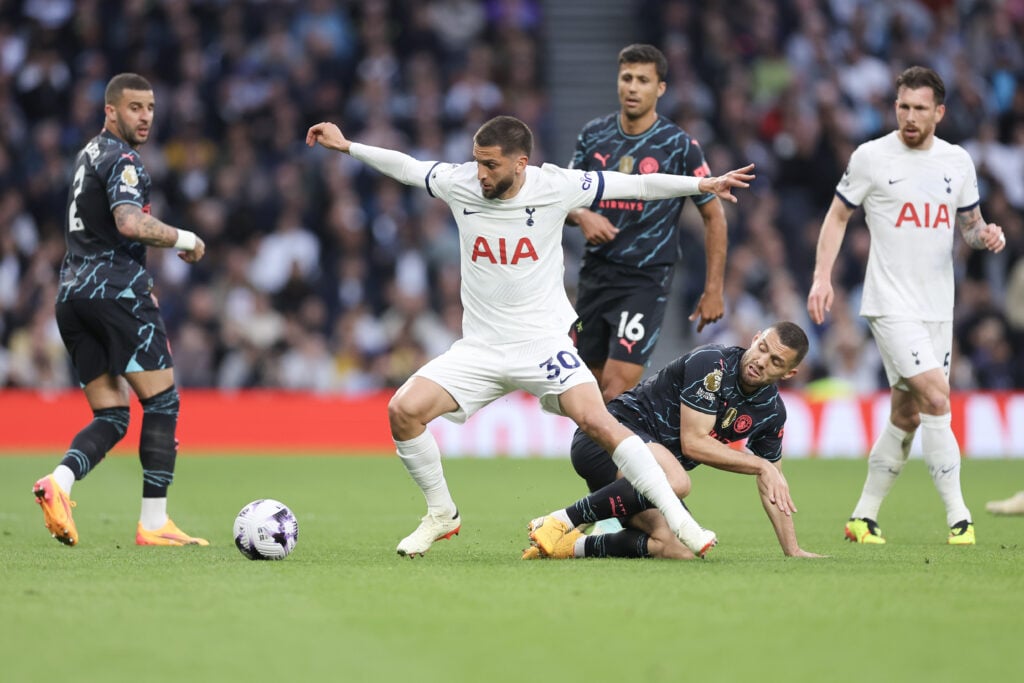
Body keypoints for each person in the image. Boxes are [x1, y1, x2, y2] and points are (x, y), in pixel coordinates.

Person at [306, 115, 756, 558]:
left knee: (600, 422)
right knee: (402, 411)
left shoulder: (555, 186)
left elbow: (635, 185)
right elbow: (405, 166)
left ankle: (682, 522)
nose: (481, 174)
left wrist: (700, 186)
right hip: (480, 348)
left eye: (492, 165)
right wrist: (348, 146)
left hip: (543, 343)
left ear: (521, 162)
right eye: (478, 162)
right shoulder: (458, 182)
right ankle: (441, 513)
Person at [806, 66, 1006, 546]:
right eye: (902, 106)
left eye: (919, 108)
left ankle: (863, 517)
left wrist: (987, 236)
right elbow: (837, 217)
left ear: (939, 112)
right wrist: (821, 276)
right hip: (889, 302)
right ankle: (960, 517)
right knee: (937, 397)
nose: (909, 116)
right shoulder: (871, 157)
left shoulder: (957, 162)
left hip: (938, 306)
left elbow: (970, 227)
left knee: (908, 413)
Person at [33, 73, 209, 547]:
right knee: (162, 401)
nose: (146, 115)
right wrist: (187, 239)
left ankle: (59, 483)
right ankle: (154, 523)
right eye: (135, 107)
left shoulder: (87, 155)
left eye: (150, 107)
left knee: (112, 416)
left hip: (72, 295)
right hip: (115, 293)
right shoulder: (124, 158)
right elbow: (129, 222)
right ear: (110, 111)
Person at [524, 322, 824, 560]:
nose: (761, 361)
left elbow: (774, 484)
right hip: (608, 440)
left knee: (676, 549)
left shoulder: (771, 412)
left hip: (646, 477)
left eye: (775, 361)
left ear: (790, 372)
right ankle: (559, 521)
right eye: (761, 348)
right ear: (756, 337)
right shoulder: (713, 364)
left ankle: (572, 546)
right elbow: (694, 443)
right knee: (676, 480)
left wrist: (792, 549)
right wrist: (761, 465)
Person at [567, 44, 728, 403]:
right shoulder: (594, 136)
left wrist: (713, 287)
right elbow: (559, 196)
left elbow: (713, 213)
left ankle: (626, 459)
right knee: (587, 390)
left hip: (645, 277)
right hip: (595, 273)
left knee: (617, 386)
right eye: (627, 78)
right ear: (618, 82)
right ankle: (605, 460)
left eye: (643, 80)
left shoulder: (679, 146)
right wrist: (581, 214)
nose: (633, 87)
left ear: (660, 88)